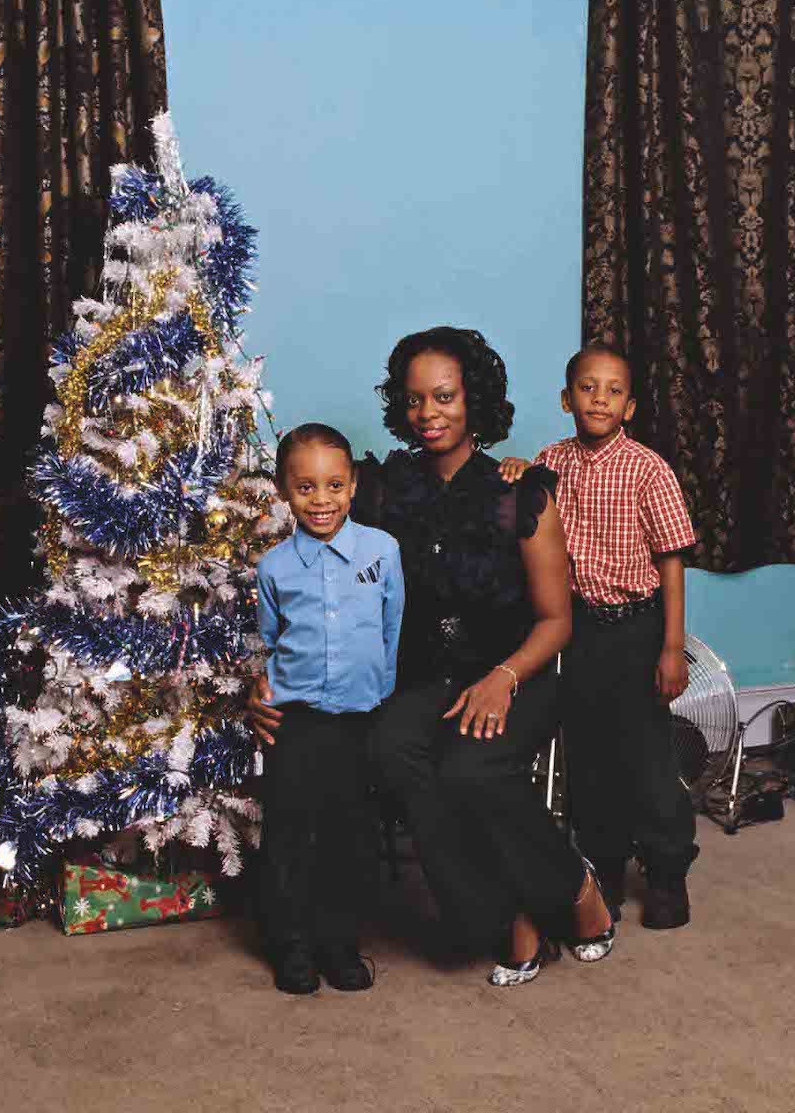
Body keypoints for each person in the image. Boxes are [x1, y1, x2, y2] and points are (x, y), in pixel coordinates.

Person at [251, 327, 615, 988]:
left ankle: (571, 888)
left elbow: (558, 621)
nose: (429, 414)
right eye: (415, 400)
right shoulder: (382, 491)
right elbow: (312, 567)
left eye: (444, 396)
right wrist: (268, 678)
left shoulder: (520, 492)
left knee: (472, 766)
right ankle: (502, 914)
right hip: (422, 679)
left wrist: (503, 678)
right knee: (391, 750)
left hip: (519, 673)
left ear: (473, 398)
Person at [505, 345, 700, 928]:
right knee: (589, 758)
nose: (600, 399)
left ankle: (667, 872)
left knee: (647, 758)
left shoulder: (648, 468)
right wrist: (516, 473)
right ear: (567, 399)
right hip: (578, 630)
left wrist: (670, 646)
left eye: (614, 390)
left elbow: (671, 562)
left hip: (637, 629)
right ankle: (603, 867)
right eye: (588, 388)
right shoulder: (550, 461)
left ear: (630, 405)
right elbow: (524, 515)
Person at [248, 423, 403, 995]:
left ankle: (339, 943)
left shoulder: (383, 552)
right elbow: (268, 640)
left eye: (334, 485)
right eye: (306, 487)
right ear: (285, 492)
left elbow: (392, 629)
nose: (321, 500)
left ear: (353, 485)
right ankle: (291, 945)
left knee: (349, 834)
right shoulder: (274, 569)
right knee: (291, 834)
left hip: (360, 717)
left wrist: (379, 698)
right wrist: (262, 692)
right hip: (296, 723)